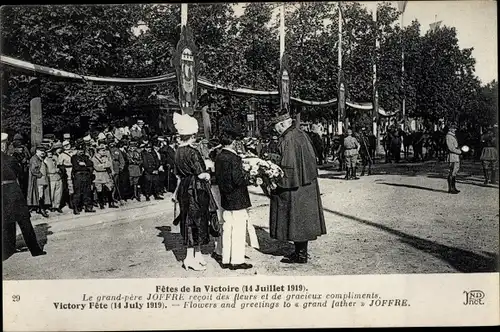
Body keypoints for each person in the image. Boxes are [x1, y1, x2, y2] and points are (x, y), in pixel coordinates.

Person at [268, 112, 327, 264]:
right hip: (306, 184)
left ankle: (301, 255)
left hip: (295, 186)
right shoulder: (300, 134)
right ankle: (300, 251)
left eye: (276, 128)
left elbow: (288, 166)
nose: (276, 131)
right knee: (302, 221)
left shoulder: (288, 139)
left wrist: (275, 179)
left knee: (295, 220)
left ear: (282, 124)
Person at [172, 113, 218, 271]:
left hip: (185, 187)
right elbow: (201, 173)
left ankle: (197, 254)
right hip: (196, 188)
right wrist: (209, 169)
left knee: (190, 220)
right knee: (195, 221)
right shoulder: (193, 152)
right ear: (192, 135)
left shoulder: (177, 151)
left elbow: (178, 172)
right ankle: (189, 258)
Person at [2, 133, 46, 259]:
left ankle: (7, 251)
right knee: (24, 221)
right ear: (3, 145)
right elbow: (20, 174)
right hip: (13, 191)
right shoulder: (11, 159)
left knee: (6, 222)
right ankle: (35, 250)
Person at [215, 127, 253, 270]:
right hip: (237, 198)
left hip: (226, 197)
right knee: (238, 230)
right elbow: (238, 180)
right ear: (232, 142)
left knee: (227, 228)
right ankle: (236, 260)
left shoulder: (219, 156)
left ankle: (225, 258)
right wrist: (248, 176)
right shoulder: (234, 158)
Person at [71, 141, 96, 214]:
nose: (81, 152)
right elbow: (76, 167)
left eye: (82, 150)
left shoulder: (86, 157)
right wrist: (85, 166)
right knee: (77, 192)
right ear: (77, 150)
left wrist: (84, 164)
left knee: (87, 192)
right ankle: (76, 208)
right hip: (78, 176)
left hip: (86, 176)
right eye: (79, 150)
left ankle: (87, 207)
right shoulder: (74, 157)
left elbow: (90, 164)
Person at [92, 144, 118, 209]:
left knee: (110, 188)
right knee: (99, 190)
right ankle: (101, 204)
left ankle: (111, 203)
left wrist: (103, 165)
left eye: (104, 150)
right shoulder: (94, 158)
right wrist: (105, 166)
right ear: (98, 151)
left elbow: (109, 164)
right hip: (98, 176)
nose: (104, 152)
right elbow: (97, 168)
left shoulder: (105, 157)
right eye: (102, 150)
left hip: (106, 175)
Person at [27, 145, 50, 218]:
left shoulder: (41, 158)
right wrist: (39, 174)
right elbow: (33, 170)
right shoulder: (34, 159)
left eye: (43, 151)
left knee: (41, 193)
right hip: (38, 179)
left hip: (43, 179)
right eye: (41, 151)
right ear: (37, 151)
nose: (43, 152)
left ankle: (39, 208)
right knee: (40, 194)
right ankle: (41, 209)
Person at [44, 147, 63, 213]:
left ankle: (57, 206)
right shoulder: (45, 160)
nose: (50, 154)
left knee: (58, 192)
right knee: (51, 192)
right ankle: (51, 206)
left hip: (58, 177)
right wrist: (55, 170)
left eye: (51, 152)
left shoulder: (54, 158)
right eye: (48, 152)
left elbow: (58, 164)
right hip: (51, 177)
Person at [445, 123, 462, 194]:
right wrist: (459, 152)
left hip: (455, 155)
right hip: (452, 155)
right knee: (452, 171)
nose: (455, 129)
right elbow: (451, 148)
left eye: (455, 128)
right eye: (454, 128)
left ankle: (453, 187)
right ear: (450, 129)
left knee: (455, 171)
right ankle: (451, 188)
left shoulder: (452, 136)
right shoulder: (449, 136)